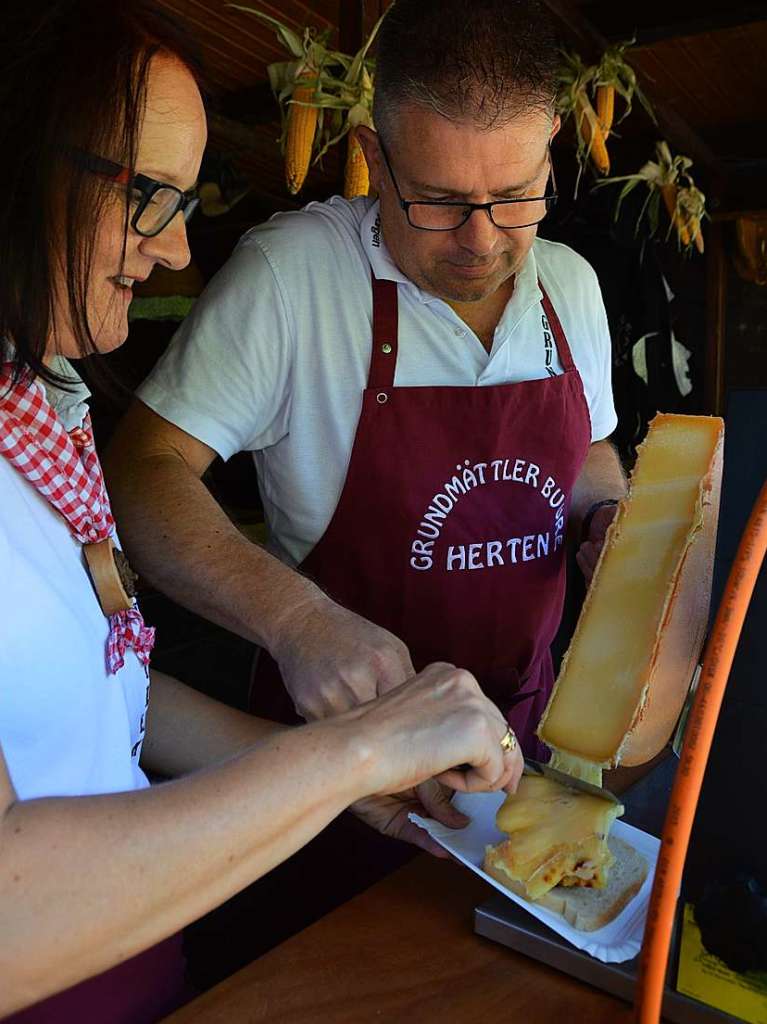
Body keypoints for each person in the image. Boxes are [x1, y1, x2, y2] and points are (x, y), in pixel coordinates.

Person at [0, 4, 525, 1021]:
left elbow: (115, 708)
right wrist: (356, 748)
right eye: (152, 198)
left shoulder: (36, 414)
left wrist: (336, 782)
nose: (175, 253)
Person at [106, 0, 626, 846]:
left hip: (525, 752)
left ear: (551, 148)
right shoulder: (294, 276)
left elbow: (590, 449)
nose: (482, 241)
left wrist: (605, 519)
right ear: (372, 159)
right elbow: (142, 469)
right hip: (331, 772)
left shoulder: (570, 285)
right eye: (440, 200)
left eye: (516, 195)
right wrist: (297, 620)